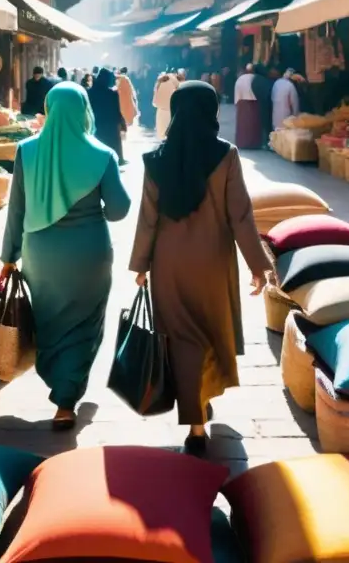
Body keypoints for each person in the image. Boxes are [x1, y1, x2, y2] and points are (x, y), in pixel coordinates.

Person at [130, 82, 272, 456]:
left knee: (180, 339)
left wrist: (141, 264)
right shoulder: (226, 155)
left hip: (168, 264)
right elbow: (240, 215)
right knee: (208, 334)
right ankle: (197, 420)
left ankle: (196, 415)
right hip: (212, 262)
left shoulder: (156, 158)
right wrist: (258, 265)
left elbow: (148, 219)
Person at [1, 83, 131, 430]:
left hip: (41, 255)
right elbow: (119, 210)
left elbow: (16, 210)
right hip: (89, 254)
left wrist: (8, 257)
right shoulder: (102, 155)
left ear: (49, 108)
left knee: (49, 321)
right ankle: (66, 399)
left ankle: (58, 385)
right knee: (85, 324)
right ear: (84, 110)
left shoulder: (26, 150)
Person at [88, 68, 126, 164]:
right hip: (110, 127)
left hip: (95, 126)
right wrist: (122, 125)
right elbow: (117, 112)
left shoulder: (89, 92)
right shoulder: (112, 94)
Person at [233, 64, 261, 149]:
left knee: (243, 125)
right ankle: (254, 144)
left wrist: (237, 103)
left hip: (242, 103)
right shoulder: (256, 78)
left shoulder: (240, 79)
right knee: (253, 124)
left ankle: (242, 143)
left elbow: (237, 92)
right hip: (254, 103)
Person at [251, 63, 273, 149]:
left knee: (262, 123)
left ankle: (264, 143)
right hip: (266, 105)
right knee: (267, 124)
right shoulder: (264, 80)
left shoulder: (255, 79)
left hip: (259, 104)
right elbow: (268, 93)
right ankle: (267, 143)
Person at [153, 70, 179, 137]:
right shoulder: (175, 81)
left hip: (160, 111)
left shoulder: (159, 81)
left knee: (161, 134)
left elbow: (154, 100)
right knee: (170, 134)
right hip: (171, 111)